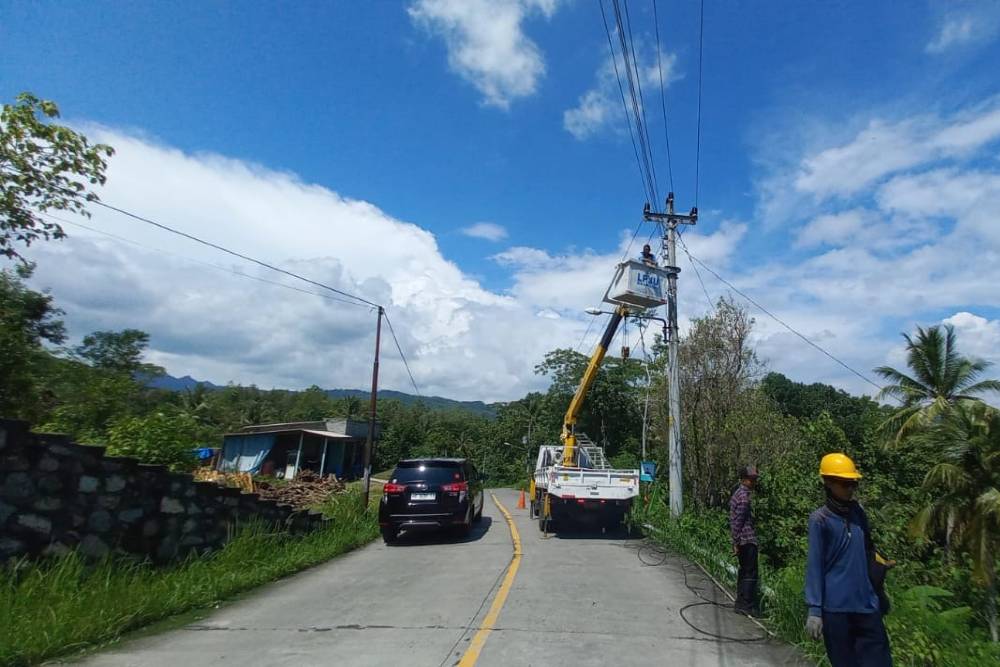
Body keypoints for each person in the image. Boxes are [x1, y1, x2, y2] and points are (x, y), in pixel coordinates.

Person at [805, 453, 894, 667]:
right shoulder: (820, 520)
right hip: (836, 609)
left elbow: (867, 552)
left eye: (853, 484)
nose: (851, 489)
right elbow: (815, 566)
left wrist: (879, 589)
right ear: (828, 483)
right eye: (845, 484)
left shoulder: (858, 513)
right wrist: (815, 610)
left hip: (866, 605)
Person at [729, 464, 761, 617]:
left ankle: (741, 602)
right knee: (750, 573)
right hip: (746, 540)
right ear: (743, 479)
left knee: (744, 572)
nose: (753, 482)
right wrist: (735, 542)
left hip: (743, 540)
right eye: (751, 479)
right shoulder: (743, 498)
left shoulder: (740, 494)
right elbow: (738, 522)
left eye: (754, 479)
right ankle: (746, 604)